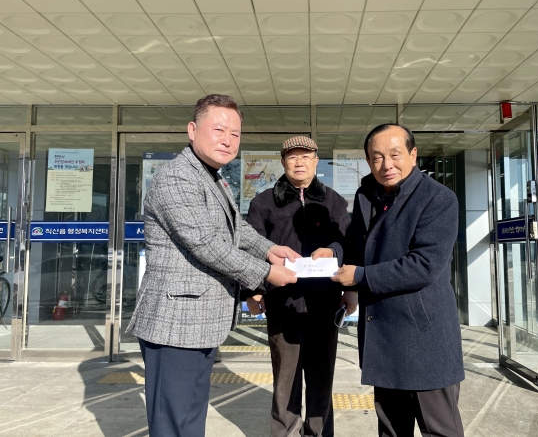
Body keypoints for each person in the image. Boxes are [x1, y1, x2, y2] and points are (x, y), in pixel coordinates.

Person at [127, 94, 300, 437]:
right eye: (219, 129)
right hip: (175, 323)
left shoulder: (213, 177)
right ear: (192, 130)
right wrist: (266, 273)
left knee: (191, 419)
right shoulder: (177, 178)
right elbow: (206, 244)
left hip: (199, 322)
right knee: (173, 423)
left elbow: (236, 229)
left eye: (235, 133)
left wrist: (269, 249)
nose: (228, 140)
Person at [331, 124, 464, 437]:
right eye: (377, 157)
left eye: (395, 154)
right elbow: (356, 245)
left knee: (439, 430)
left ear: (413, 155)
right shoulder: (367, 196)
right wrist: (333, 251)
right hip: (383, 338)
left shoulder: (438, 198)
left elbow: (424, 265)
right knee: (391, 430)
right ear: (368, 161)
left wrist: (360, 276)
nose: (386, 164)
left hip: (424, 340)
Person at [245, 135, 355, 437]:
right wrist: (254, 290)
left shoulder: (333, 201)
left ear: (316, 161)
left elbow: (349, 244)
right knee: (285, 379)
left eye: (306, 157)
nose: (299, 162)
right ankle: (285, 432)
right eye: (292, 157)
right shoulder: (263, 202)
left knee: (322, 378)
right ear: (283, 162)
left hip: (325, 304)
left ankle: (319, 433)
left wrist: (347, 282)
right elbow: (251, 249)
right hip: (283, 304)